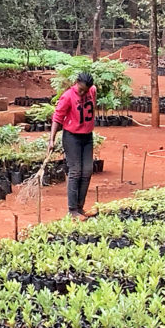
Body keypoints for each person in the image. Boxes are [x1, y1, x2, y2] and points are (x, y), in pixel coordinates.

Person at [52, 68, 100, 218]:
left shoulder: (92, 91)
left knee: (87, 171)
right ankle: (72, 210)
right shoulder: (67, 96)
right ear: (76, 83)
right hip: (72, 137)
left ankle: (80, 208)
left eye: (85, 91)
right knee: (75, 171)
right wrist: (51, 139)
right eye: (80, 89)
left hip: (87, 136)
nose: (82, 93)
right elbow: (57, 117)